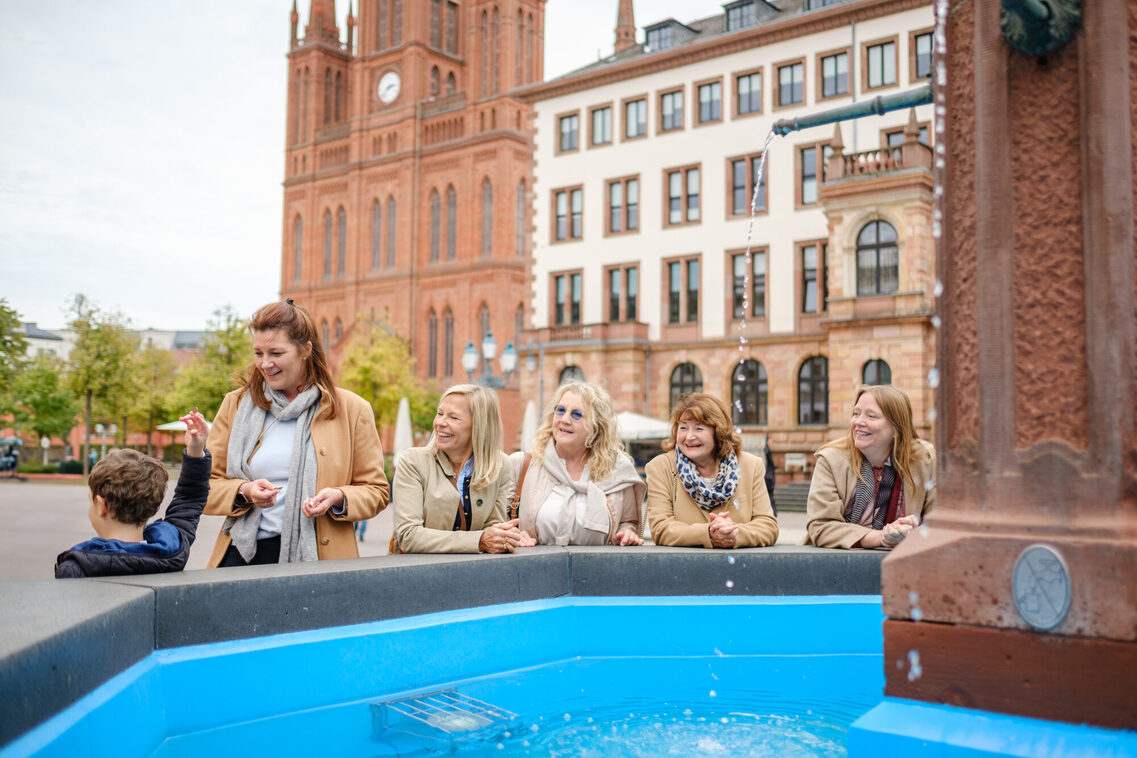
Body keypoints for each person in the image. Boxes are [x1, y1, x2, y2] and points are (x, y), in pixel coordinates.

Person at [204, 300, 389, 566]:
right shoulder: (235, 405)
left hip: (319, 560)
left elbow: (377, 491)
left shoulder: (352, 409)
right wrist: (244, 491)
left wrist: (338, 497)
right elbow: (205, 486)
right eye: (258, 353)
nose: (265, 364)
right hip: (243, 557)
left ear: (305, 350)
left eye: (276, 353)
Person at [55, 410, 211, 578]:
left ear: (102, 505)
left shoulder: (76, 568)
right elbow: (190, 497)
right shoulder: (171, 549)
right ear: (151, 506)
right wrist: (196, 450)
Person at [509, 382, 645, 547]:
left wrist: (628, 533)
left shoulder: (617, 471)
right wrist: (514, 534)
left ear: (596, 426)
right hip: (535, 568)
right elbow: (495, 523)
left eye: (577, 414)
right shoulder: (523, 465)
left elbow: (628, 521)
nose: (565, 419)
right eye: (560, 410)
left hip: (599, 570)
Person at [804, 385, 936, 549]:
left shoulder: (925, 459)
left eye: (871, 416)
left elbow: (942, 520)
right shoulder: (831, 460)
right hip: (842, 565)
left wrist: (916, 526)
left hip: (907, 563)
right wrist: (881, 537)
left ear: (897, 428)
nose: (858, 422)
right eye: (856, 413)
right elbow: (821, 526)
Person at [391, 384, 519, 553]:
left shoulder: (500, 464)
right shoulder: (413, 462)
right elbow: (408, 536)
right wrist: (478, 541)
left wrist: (507, 537)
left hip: (472, 575)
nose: (440, 423)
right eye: (440, 413)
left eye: (454, 418)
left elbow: (494, 529)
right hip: (416, 574)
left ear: (479, 426)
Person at [646, 393, 778, 548]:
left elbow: (768, 526)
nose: (689, 437)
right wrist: (707, 533)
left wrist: (735, 534)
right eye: (683, 428)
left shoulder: (751, 465)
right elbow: (661, 528)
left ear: (718, 431)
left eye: (699, 428)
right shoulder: (661, 467)